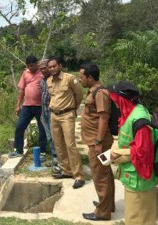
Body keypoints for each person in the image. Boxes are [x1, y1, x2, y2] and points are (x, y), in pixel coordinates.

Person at [108, 81, 157, 225]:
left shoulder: (139, 120)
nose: (114, 102)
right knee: (135, 218)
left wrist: (118, 155)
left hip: (140, 181)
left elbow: (143, 152)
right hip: (133, 178)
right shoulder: (130, 112)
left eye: (115, 99)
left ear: (122, 99)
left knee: (138, 220)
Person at [79, 63, 115, 221]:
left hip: (98, 142)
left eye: (82, 77)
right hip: (95, 140)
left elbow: (104, 117)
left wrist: (99, 141)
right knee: (105, 173)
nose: (80, 80)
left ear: (90, 77)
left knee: (100, 175)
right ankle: (108, 204)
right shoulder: (94, 91)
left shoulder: (100, 93)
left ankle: (102, 212)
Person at [46, 56, 85, 189]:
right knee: (58, 145)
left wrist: (73, 110)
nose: (52, 69)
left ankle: (79, 175)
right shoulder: (48, 81)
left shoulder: (69, 78)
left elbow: (79, 95)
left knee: (70, 145)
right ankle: (66, 171)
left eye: (54, 66)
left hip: (67, 115)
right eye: (49, 67)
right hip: (54, 115)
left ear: (60, 66)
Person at [8, 55, 47, 159]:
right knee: (19, 127)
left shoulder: (43, 72)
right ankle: (18, 150)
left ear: (37, 63)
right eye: (29, 66)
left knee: (42, 129)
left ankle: (43, 151)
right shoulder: (25, 73)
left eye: (32, 65)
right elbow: (21, 90)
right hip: (27, 106)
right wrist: (18, 105)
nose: (30, 67)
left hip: (40, 106)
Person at [39, 59, 58, 166]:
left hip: (53, 112)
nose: (42, 70)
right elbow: (43, 97)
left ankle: (59, 157)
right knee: (49, 136)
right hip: (44, 112)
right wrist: (42, 113)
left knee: (55, 136)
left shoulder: (53, 80)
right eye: (40, 68)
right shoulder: (42, 81)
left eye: (44, 68)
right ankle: (54, 157)